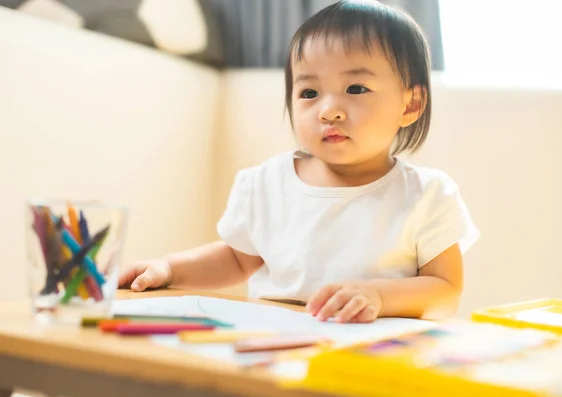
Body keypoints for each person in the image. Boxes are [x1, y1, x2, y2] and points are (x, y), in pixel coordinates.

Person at [118, 0, 480, 324]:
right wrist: (168, 269)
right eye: (309, 92)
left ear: (410, 105)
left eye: (355, 89)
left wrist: (379, 297)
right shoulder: (265, 183)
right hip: (272, 345)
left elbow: (445, 289)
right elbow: (236, 258)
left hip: (371, 352)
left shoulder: (426, 195)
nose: (329, 110)